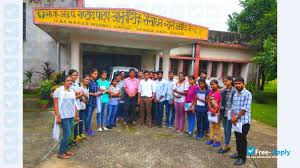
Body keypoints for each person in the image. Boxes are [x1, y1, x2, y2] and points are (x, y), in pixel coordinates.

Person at [53, 75, 79, 159]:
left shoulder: (72, 90)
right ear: (63, 81)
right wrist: (58, 116)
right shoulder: (58, 91)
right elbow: (56, 104)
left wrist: (76, 114)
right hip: (63, 116)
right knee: (66, 134)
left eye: (71, 80)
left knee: (69, 134)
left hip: (71, 115)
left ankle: (65, 150)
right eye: (67, 80)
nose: (69, 82)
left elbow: (74, 103)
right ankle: (60, 153)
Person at [229, 77, 252, 166]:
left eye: (239, 83)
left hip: (244, 122)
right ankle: (238, 154)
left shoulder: (247, 94)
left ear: (243, 84)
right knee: (238, 138)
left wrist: (236, 117)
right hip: (236, 121)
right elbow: (233, 107)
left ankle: (242, 158)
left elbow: (245, 108)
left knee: (242, 140)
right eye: (236, 83)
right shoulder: (235, 94)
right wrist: (233, 117)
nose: (237, 85)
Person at [218, 76, 236, 154]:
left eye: (227, 81)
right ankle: (227, 144)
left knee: (228, 129)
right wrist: (219, 110)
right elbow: (221, 101)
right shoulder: (222, 91)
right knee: (225, 129)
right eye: (224, 81)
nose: (225, 82)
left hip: (230, 113)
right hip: (223, 112)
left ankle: (226, 145)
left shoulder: (235, 91)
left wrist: (233, 114)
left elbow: (235, 103)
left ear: (231, 81)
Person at [206, 80, 223, 148]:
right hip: (211, 112)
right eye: (211, 85)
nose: (212, 86)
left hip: (218, 112)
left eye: (213, 84)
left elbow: (221, 103)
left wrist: (217, 111)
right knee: (212, 126)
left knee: (218, 127)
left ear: (217, 84)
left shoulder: (220, 92)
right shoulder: (211, 92)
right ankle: (211, 139)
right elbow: (208, 101)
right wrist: (211, 109)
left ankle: (218, 141)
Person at [73, 74, 90, 142]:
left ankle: (80, 134)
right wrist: (83, 98)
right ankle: (75, 136)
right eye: (86, 79)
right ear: (82, 79)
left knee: (81, 120)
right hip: (78, 106)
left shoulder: (87, 87)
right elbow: (78, 96)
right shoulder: (78, 85)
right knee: (77, 121)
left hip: (84, 106)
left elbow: (87, 96)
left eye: (88, 80)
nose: (87, 81)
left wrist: (85, 97)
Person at [68, 69, 83, 145]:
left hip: (78, 105)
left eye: (76, 75)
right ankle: (70, 140)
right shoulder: (69, 85)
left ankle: (75, 137)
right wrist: (79, 95)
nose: (75, 76)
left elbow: (79, 93)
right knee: (72, 124)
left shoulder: (77, 84)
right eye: (73, 75)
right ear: (70, 75)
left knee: (76, 122)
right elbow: (71, 97)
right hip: (72, 106)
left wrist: (79, 95)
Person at [86, 68, 101, 137]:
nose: (96, 75)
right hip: (89, 101)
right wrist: (93, 94)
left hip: (94, 101)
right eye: (94, 73)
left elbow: (96, 90)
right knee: (88, 116)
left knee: (90, 116)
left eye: (97, 74)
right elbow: (85, 92)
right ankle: (87, 130)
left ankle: (89, 128)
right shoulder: (88, 81)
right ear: (91, 74)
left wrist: (100, 92)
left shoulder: (95, 82)